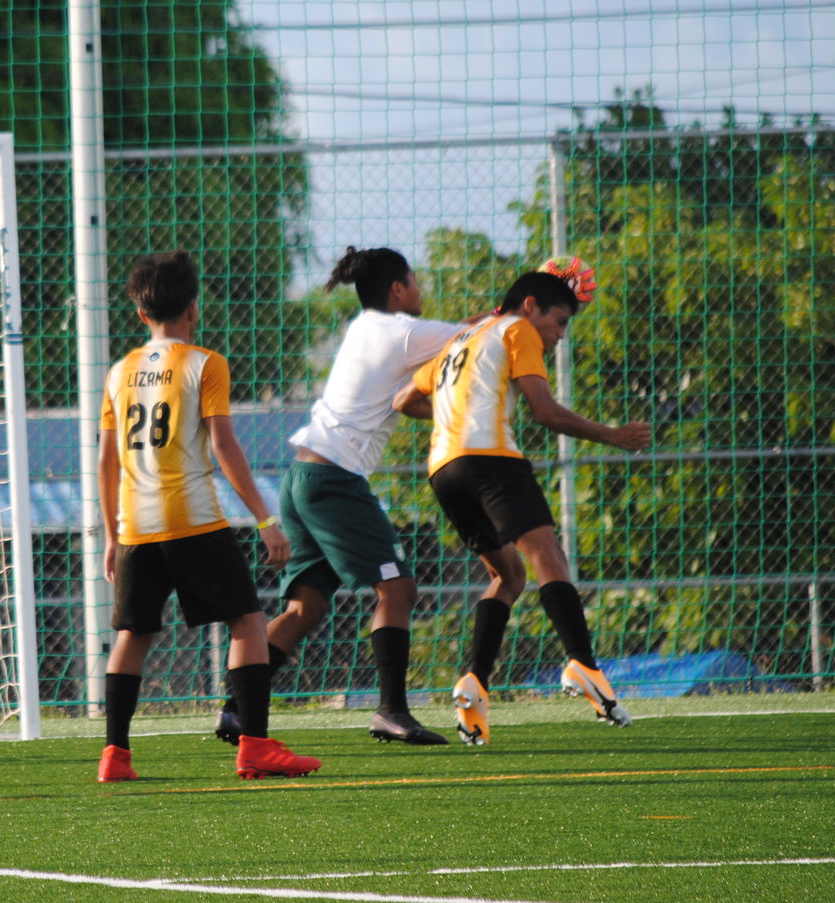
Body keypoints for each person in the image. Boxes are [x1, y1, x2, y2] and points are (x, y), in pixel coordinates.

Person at [214, 247, 486, 747]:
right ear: (398, 290)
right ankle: (391, 711)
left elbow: (418, 390)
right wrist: (521, 311)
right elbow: (477, 335)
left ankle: (235, 709)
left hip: (305, 478)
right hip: (334, 482)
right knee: (398, 589)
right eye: (415, 281)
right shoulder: (399, 331)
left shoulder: (367, 328)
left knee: (305, 609)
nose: (421, 290)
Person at [394, 270, 651, 744]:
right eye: (558, 322)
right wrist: (614, 436)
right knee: (548, 556)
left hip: (443, 471)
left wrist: (460, 405)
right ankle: (582, 663)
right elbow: (544, 410)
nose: (558, 335)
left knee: (507, 576)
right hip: (491, 459)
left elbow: (404, 400)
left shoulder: (461, 339)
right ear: (530, 306)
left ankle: (473, 683)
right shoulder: (519, 331)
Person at [97, 251, 320, 782]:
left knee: (133, 635)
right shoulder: (204, 363)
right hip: (193, 519)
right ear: (193, 308)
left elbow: (106, 462)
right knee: (246, 620)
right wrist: (266, 519)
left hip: (134, 526)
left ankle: (115, 755)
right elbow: (224, 445)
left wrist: (111, 536)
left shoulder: (119, 371)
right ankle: (256, 745)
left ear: (139, 313)